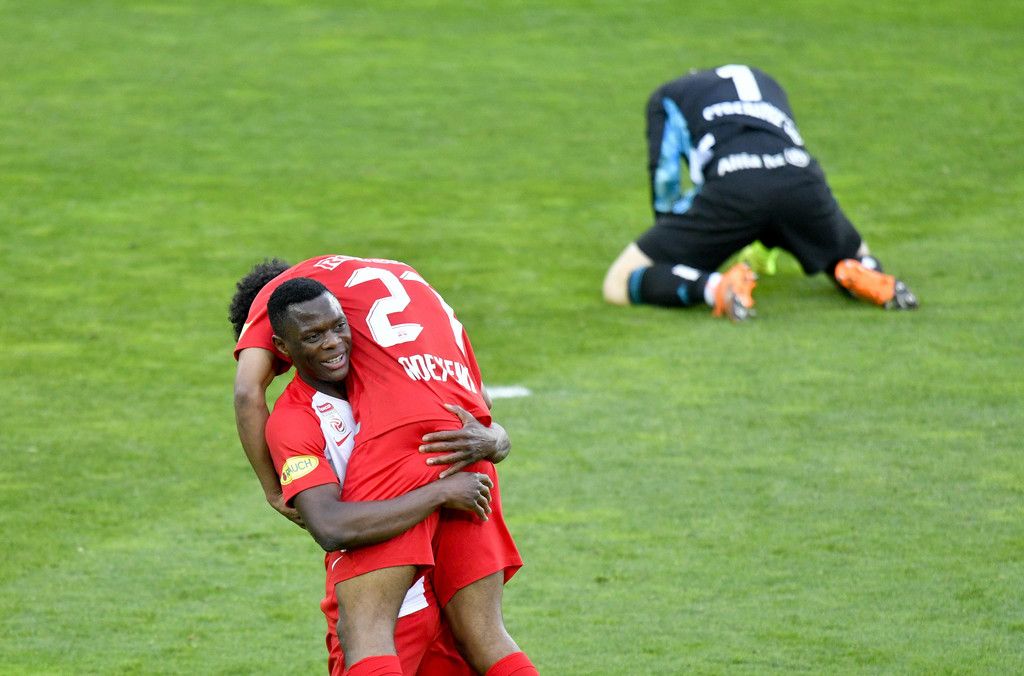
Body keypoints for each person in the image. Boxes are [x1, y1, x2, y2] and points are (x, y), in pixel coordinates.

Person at [232, 256, 537, 676]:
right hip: (466, 459)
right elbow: (479, 400)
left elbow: (247, 394)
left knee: (365, 636)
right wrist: (495, 439)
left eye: (336, 328)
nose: (332, 342)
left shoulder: (296, 414)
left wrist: (272, 491)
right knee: (485, 637)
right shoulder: (399, 293)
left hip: (391, 556)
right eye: (314, 335)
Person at [603, 64, 919, 320]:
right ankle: (859, 270)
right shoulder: (766, 82)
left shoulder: (668, 96)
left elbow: (665, 176)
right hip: (800, 180)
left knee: (617, 283)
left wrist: (672, 241)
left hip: (735, 187)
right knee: (853, 251)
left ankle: (715, 288)